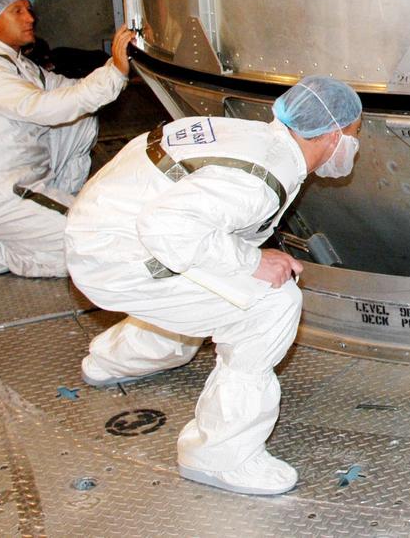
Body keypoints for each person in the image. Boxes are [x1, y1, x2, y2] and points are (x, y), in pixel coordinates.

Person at [65, 76, 362, 496]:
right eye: (353, 135)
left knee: (217, 285)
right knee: (270, 303)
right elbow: (167, 227)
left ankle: (110, 362)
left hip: (99, 233)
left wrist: (242, 259)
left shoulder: (257, 138)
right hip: (119, 258)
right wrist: (255, 261)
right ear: (331, 136)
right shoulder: (262, 178)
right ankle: (220, 456)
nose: (353, 145)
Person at [0, 0, 133, 277]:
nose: (30, 18)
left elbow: (70, 92)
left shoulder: (13, 62)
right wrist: (115, 72)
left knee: (80, 119)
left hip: (8, 183)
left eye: (29, 10)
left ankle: (35, 218)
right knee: (99, 239)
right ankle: (5, 246)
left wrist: (116, 66)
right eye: (17, 11)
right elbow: (44, 108)